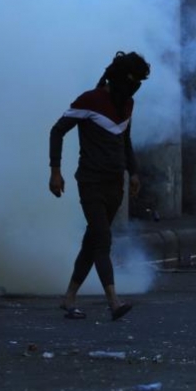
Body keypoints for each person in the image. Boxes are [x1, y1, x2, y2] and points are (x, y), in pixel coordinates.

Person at [48, 51, 150, 321]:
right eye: (132, 81)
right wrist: (55, 171)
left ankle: (69, 298)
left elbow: (125, 141)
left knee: (92, 241)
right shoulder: (90, 100)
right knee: (103, 239)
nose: (134, 88)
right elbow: (57, 131)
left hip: (115, 184)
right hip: (91, 181)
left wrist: (134, 172)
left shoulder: (127, 104)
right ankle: (114, 302)